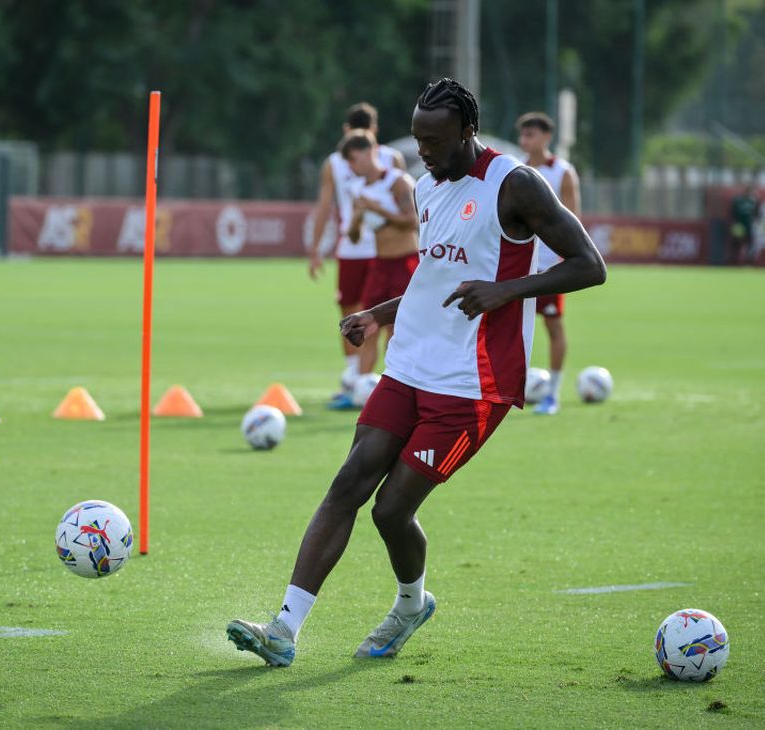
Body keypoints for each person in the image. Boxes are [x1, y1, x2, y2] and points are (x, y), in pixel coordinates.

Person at [227, 79, 606, 667]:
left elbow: (590, 266)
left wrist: (507, 290)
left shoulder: (515, 184)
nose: (422, 152)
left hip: (474, 385)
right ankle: (283, 629)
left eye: (434, 141)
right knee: (348, 483)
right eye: (418, 139)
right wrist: (376, 316)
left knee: (390, 511)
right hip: (409, 365)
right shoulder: (426, 187)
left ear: (468, 132)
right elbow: (433, 280)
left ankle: (410, 605)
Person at [307, 102, 406, 408]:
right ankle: (355, 381)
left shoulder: (393, 164)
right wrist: (317, 247)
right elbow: (325, 205)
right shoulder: (335, 163)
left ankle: (394, 382)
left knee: (393, 319)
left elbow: (408, 210)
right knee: (352, 314)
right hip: (354, 249)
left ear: (375, 133)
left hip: (389, 252)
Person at [516, 111, 581, 415]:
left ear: (546, 137)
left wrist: (566, 257)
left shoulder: (562, 171)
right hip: (520, 264)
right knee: (511, 328)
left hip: (550, 265)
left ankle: (552, 394)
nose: (525, 141)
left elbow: (573, 218)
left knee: (553, 326)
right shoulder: (516, 170)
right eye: (523, 135)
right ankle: (507, 388)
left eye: (531, 135)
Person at [341, 130, 419, 383]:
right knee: (367, 326)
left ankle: (395, 383)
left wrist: (377, 209)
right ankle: (361, 386)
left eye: (354, 159)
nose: (352, 167)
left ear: (369, 152)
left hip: (405, 261)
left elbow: (412, 221)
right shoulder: (359, 190)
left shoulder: (397, 181)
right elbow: (354, 237)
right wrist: (356, 219)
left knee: (398, 329)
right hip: (379, 265)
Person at [729, 185, 760, 265]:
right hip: (739, 226)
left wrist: (758, 222)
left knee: (750, 244)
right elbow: (732, 213)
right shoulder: (738, 201)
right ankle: (734, 261)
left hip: (749, 226)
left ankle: (749, 262)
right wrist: (733, 224)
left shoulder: (753, 201)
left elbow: (757, 214)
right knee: (736, 243)